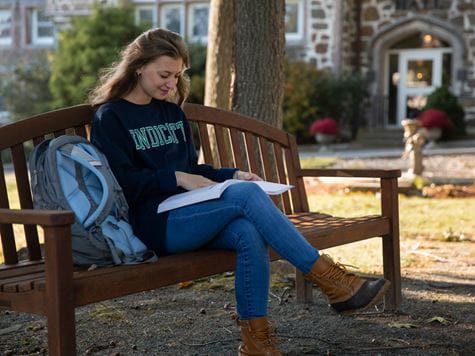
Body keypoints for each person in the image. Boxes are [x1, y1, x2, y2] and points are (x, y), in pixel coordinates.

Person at [89, 28, 390, 356]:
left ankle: (256, 342)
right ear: (138, 67)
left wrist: (230, 174)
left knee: (248, 231)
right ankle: (331, 281)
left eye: (177, 76)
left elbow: (193, 171)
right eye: (164, 75)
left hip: (190, 212)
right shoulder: (111, 117)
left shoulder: (170, 111)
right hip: (152, 224)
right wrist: (176, 177)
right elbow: (122, 182)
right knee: (245, 197)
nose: (171, 84)